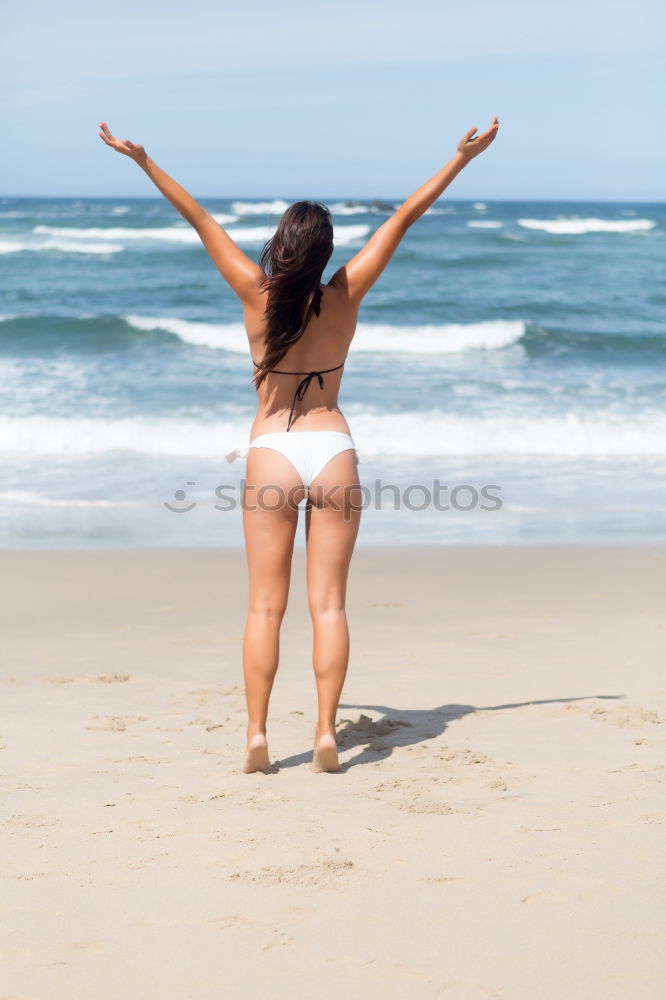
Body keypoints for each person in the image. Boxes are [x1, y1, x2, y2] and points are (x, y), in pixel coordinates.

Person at [98, 115, 500, 774]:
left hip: (272, 452)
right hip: (333, 447)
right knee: (330, 605)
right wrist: (460, 160)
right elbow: (404, 217)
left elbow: (200, 221)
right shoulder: (345, 293)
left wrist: (144, 162)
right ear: (325, 252)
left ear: (280, 246)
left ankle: (258, 736)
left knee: (264, 605)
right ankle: (323, 733)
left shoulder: (256, 297)